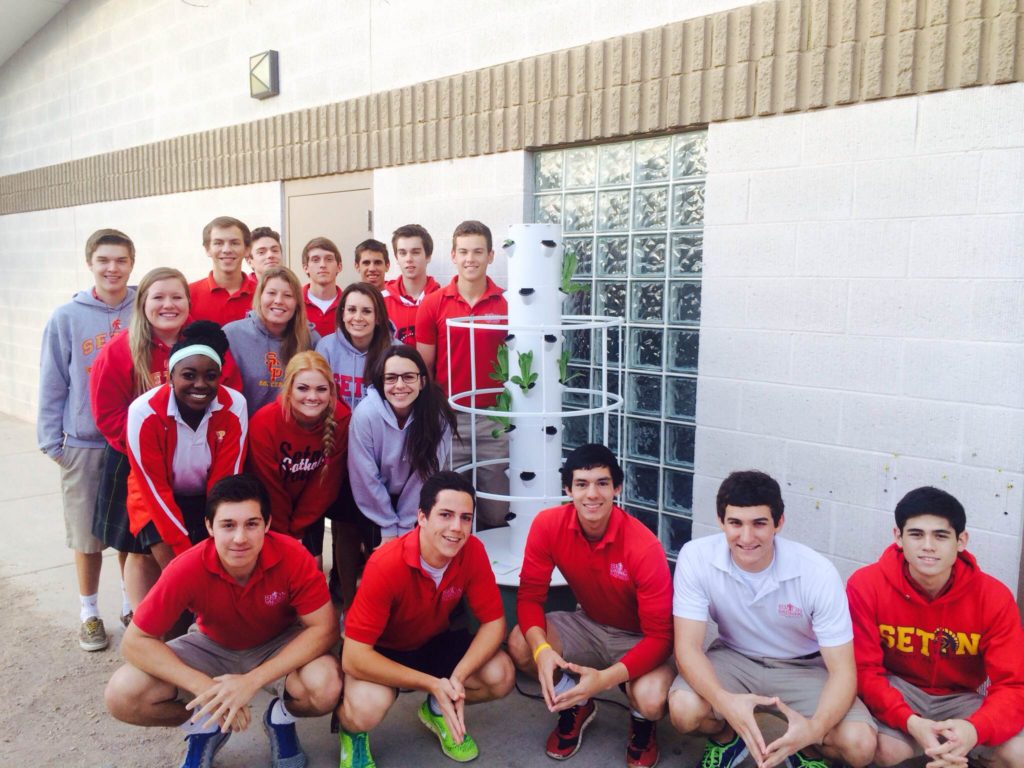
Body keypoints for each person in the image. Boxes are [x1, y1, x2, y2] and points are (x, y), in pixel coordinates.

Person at [105, 473, 341, 768]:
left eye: (251, 524)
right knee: (123, 694)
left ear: (267, 524)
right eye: (228, 525)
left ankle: (280, 718)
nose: (240, 538)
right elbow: (134, 642)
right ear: (209, 527)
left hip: (277, 642)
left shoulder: (294, 556)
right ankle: (206, 724)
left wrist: (250, 682)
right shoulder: (186, 567)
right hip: (211, 645)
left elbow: (325, 628)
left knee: (326, 686)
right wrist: (208, 691)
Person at [668, 470, 876, 768]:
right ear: (720, 521)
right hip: (734, 657)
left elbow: (843, 671)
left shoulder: (816, 572)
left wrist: (813, 730)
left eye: (759, 523)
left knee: (860, 746)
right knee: (684, 710)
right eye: (735, 523)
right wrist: (726, 703)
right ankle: (730, 735)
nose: (747, 537)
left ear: (779, 523)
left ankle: (806, 749)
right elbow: (687, 648)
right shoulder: (696, 556)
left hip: (803, 665)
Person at [508, 444, 673, 768]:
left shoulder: (644, 546)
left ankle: (641, 724)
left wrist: (606, 679)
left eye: (602, 483)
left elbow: (661, 637)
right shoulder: (548, 525)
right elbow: (529, 597)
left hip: (640, 637)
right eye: (582, 484)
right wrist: (542, 652)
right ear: (567, 489)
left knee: (651, 699)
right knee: (521, 642)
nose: (592, 494)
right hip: (589, 623)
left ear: (617, 488)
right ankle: (577, 702)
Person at [336, 471, 514, 767]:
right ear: (421, 517)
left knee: (501, 675)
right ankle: (351, 733)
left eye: (465, 518)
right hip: (383, 650)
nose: (456, 528)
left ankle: (437, 709)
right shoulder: (385, 564)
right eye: (445, 515)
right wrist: (432, 683)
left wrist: (455, 679)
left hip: (432, 642)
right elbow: (353, 658)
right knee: (366, 708)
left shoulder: (472, 551)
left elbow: (494, 623)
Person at [846, 486, 1024, 768]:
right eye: (916, 534)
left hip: (961, 699)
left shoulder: (994, 597)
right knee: (881, 750)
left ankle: (957, 751)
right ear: (898, 538)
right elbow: (865, 671)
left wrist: (974, 729)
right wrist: (910, 721)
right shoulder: (866, 585)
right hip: (899, 689)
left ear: (961, 541)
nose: (928, 545)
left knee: (1019, 752)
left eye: (940, 535)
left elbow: (1013, 686)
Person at [37, 228, 136, 651]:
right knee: (86, 536)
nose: (112, 268)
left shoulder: (144, 308)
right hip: (86, 442)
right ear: (90, 264)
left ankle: (131, 604)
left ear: (132, 263)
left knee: (131, 533)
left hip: (135, 442)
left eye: (120, 260)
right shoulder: (67, 317)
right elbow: (53, 379)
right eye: (104, 261)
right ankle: (89, 612)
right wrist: (52, 441)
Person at [90, 267, 192, 612]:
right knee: (140, 548)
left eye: (177, 297)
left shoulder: (197, 346)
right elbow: (107, 416)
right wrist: (149, 449)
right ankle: (142, 617)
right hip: (134, 460)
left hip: (189, 459)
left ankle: (179, 612)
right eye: (158, 297)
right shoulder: (120, 351)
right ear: (142, 303)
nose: (168, 305)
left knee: (180, 536)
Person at [124, 320, 247, 602]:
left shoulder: (235, 404)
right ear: (170, 376)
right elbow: (155, 491)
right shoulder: (143, 412)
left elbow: (226, 483)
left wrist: (215, 535)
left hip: (208, 495)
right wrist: (183, 559)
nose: (200, 385)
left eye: (210, 376)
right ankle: (148, 627)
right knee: (172, 573)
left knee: (214, 562)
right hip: (154, 496)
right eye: (189, 375)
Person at [415, 220, 508, 529]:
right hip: (450, 418)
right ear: (453, 255)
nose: (471, 259)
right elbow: (424, 368)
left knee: (496, 512)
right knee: (452, 507)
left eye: (478, 251)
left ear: (491, 255)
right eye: (464, 251)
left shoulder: (507, 304)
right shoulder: (432, 304)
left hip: (493, 420)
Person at [315, 281, 394, 609]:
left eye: (366, 310)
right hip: (339, 451)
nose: (357, 317)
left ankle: (379, 599)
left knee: (376, 530)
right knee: (345, 528)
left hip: (381, 455)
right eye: (351, 310)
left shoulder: (393, 349)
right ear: (341, 314)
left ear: (378, 317)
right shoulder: (327, 347)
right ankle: (348, 600)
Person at [348, 346, 457, 547]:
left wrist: (405, 527)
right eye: (391, 378)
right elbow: (365, 476)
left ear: (422, 381)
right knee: (380, 562)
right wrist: (388, 527)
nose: (399, 385)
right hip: (374, 499)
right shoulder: (365, 415)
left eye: (408, 377)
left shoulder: (438, 417)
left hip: (417, 498)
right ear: (381, 382)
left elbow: (425, 474)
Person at [247, 350, 351, 559]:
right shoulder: (264, 422)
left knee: (312, 571)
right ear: (288, 389)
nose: (312, 397)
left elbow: (325, 485)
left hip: (309, 512)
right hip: (268, 512)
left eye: (321, 389)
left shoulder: (341, 417)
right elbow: (269, 486)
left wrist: (299, 529)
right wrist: (287, 534)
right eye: (303, 388)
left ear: (331, 392)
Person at [223, 266, 320, 416]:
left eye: (288, 295)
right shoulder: (232, 335)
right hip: (244, 428)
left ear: (297, 303)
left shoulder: (310, 339)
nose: (279, 301)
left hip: (291, 431)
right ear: (260, 296)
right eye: (271, 293)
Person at [188, 216, 257, 326]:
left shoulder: (263, 294)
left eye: (234, 243)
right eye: (218, 243)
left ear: (247, 249)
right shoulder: (188, 295)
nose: (227, 250)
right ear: (207, 249)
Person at [383, 224, 440, 346]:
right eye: (402, 253)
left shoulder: (441, 299)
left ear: (428, 256)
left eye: (415, 252)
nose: (409, 259)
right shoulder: (381, 301)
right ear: (396, 258)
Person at [301, 236, 343, 338]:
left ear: (339, 267)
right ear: (305, 268)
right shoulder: (293, 302)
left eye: (329, 259)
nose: (323, 265)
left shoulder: (349, 304)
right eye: (315, 260)